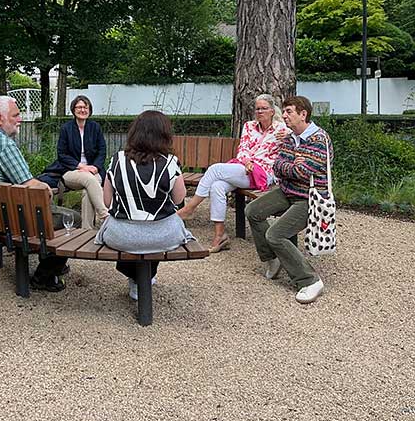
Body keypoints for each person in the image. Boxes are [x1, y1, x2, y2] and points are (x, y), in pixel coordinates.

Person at [0, 95, 78, 292]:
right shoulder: (4, 145)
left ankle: (52, 262)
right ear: (0, 119)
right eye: (15, 115)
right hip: (12, 221)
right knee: (72, 218)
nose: (20, 119)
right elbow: (30, 185)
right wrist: (46, 188)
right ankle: (44, 275)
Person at [95, 110, 194, 301]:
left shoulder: (117, 160)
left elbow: (106, 202)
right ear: (164, 135)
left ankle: (135, 279)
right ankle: (145, 278)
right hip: (164, 237)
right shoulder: (171, 163)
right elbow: (178, 199)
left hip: (121, 237)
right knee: (159, 226)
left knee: (127, 232)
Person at [245, 95, 332, 305]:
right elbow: (277, 166)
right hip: (287, 190)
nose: (284, 115)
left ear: (303, 114)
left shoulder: (320, 139)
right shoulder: (288, 137)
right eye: (283, 111)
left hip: (309, 198)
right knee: (253, 211)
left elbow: (303, 171)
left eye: (289, 112)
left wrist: (291, 164)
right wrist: (293, 163)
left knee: (275, 235)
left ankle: (309, 281)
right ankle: (272, 258)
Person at [178, 94, 286, 252]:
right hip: (245, 167)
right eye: (257, 109)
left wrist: (290, 136)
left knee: (215, 169)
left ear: (272, 110)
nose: (260, 111)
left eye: (264, 108)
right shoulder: (249, 126)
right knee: (217, 186)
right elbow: (243, 149)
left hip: (264, 172)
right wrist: (247, 161)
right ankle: (220, 235)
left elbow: (300, 138)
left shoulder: (281, 129)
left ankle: (190, 208)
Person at [42, 95, 108, 228]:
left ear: (89, 109)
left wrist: (95, 167)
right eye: (79, 107)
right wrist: (80, 166)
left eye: (85, 107)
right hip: (71, 170)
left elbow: (102, 151)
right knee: (90, 180)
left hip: (94, 170)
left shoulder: (95, 127)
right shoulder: (67, 128)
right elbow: (62, 154)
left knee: (88, 190)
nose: (82, 110)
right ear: (73, 109)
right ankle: (104, 215)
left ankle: (87, 230)